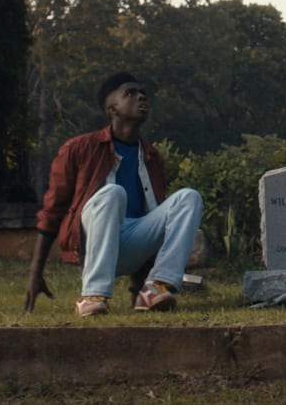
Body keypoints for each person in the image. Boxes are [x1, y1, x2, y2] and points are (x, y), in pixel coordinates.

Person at [24, 72, 204, 317]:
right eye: (130, 93)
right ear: (112, 109)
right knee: (113, 193)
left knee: (189, 197)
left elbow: (150, 214)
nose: (141, 97)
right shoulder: (79, 148)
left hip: (131, 246)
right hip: (92, 242)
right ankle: (92, 295)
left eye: (143, 94)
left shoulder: (152, 157)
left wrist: (136, 286)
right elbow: (53, 211)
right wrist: (36, 273)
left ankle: (155, 288)